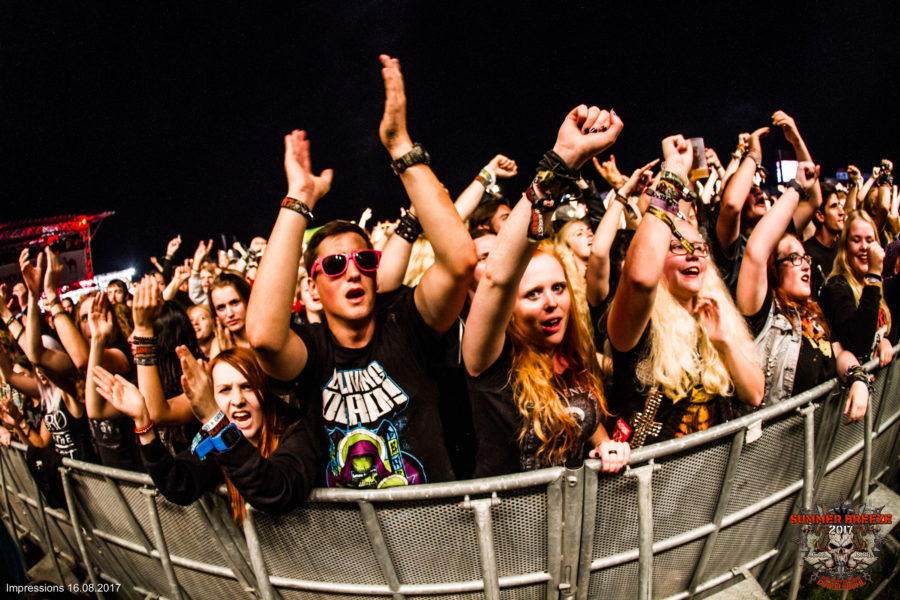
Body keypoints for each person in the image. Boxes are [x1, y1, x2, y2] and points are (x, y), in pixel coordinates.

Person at [246, 55, 475, 490]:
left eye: (364, 260)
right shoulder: (312, 350)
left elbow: (460, 261)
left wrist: (400, 145)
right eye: (335, 265)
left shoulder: (405, 324)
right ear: (312, 286)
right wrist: (299, 197)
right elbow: (262, 336)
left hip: (431, 523)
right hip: (351, 532)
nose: (352, 272)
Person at [463, 104, 630, 476]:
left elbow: (582, 418)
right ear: (508, 308)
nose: (552, 302)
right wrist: (561, 162)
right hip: (511, 514)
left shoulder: (569, 356)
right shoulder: (490, 362)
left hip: (575, 512)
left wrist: (604, 445)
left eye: (558, 288)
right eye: (533, 294)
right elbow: (498, 278)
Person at [606, 135, 764, 447]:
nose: (693, 255)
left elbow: (755, 393)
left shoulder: (717, 312)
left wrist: (724, 343)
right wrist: (675, 170)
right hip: (651, 473)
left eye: (700, 248)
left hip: (715, 470)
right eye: (677, 247)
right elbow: (639, 279)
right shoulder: (639, 321)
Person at [93, 347, 306, 522]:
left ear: (264, 392)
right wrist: (143, 422)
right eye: (224, 390)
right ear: (213, 397)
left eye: (247, 386)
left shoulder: (295, 430)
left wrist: (215, 419)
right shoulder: (212, 441)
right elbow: (179, 485)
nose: (237, 400)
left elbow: (274, 492)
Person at [736, 161, 869, 420]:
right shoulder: (762, 312)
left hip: (813, 440)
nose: (806, 265)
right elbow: (756, 251)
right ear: (774, 268)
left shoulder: (812, 312)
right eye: (794, 258)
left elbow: (838, 351)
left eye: (805, 258)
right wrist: (796, 188)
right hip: (772, 441)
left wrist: (857, 377)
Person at [818, 210, 895, 366]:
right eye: (856, 240)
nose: (864, 247)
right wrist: (874, 275)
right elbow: (858, 343)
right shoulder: (835, 287)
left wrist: (884, 340)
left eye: (869, 240)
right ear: (845, 246)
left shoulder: (874, 284)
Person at [803, 183, 846, 299]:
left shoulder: (845, 247)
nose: (841, 212)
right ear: (820, 216)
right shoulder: (807, 254)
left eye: (840, 205)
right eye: (834, 206)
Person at [208, 271, 252, 350]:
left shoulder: (268, 335)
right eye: (221, 308)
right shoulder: (218, 346)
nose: (230, 314)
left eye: (234, 303)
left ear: (247, 301)